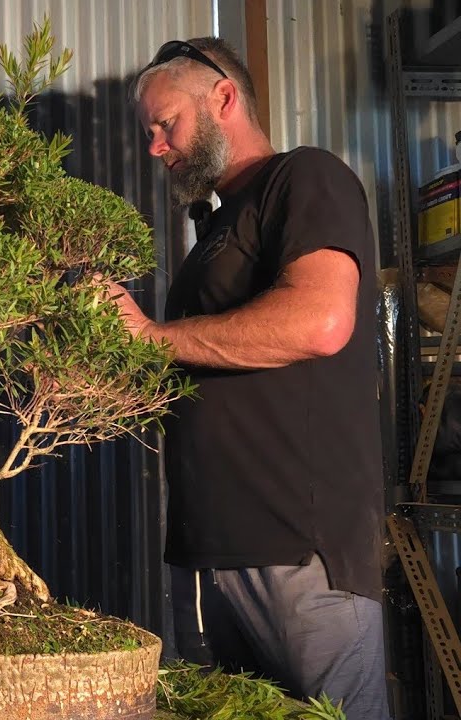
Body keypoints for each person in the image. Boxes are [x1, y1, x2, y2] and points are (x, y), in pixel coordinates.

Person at [110, 37, 388, 718]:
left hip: (297, 554)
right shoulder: (214, 227)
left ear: (224, 97)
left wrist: (152, 336)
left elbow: (322, 320)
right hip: (205, 555)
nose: (155, 146)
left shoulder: (303, 178)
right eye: (148, 130)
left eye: (165, 122)